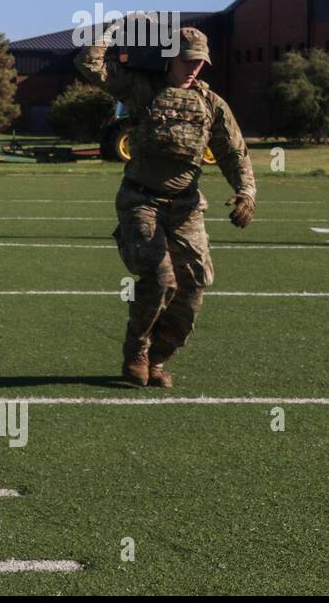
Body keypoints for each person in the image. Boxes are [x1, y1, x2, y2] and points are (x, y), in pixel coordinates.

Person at [75, 23, 255, 388]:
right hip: (141, 199)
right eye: (187, 60)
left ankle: (158, 359)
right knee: (160, 277)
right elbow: (90, 65)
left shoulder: (210, 104)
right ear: (171, 58)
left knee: (193, 285)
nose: (194, 68)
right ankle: (137, 351)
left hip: (186, 205)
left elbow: (234, 152)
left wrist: (245, 192)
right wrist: (109, 32)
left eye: (200, 62)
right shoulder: (143, 89)